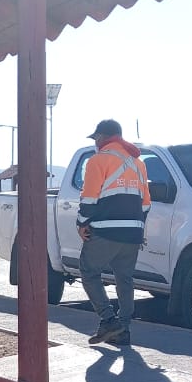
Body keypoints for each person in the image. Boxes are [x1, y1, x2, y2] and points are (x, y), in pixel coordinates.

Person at [77, 119, 150, 347]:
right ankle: (123, 329)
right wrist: (136, 227)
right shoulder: (138, 163)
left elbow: (89, 198)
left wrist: (82, 223)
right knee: (125, 279)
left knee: (88, 272)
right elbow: (146, 203)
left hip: (106, 230)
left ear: (101, 137)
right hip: (133, 232)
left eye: (96, 138)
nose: (95, 142)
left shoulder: (97, 161)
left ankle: (109, 320)